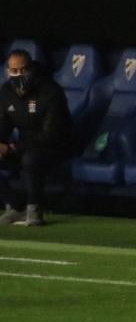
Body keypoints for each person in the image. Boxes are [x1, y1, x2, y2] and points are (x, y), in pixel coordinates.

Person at [0, 50, 73, 227]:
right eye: (14, 71)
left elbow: (51, 135)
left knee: (31, 158)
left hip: (55, 147)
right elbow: (3, 124)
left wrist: (12, 147)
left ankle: (34, 209)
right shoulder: (6, 91)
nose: (18, 75)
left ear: (31, 69)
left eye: (23, 70)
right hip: (23, 145)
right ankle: (16, 206)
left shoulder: (51, 92)